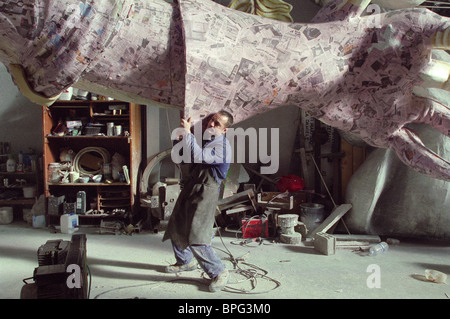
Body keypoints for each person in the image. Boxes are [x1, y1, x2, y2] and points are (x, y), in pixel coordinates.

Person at [163, 110, 234, 292]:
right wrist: (180, 141)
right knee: (177, 224)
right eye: (211, 120)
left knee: (198, 235)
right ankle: (185, 261)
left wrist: (187, 133)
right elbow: (186, 158)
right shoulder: (208, 141)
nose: (211, 124)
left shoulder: (222, 147)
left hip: (206, 192)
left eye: (217, 123)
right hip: (192, 187)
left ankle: (219, 271)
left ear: (224, 130)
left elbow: (199, 156)